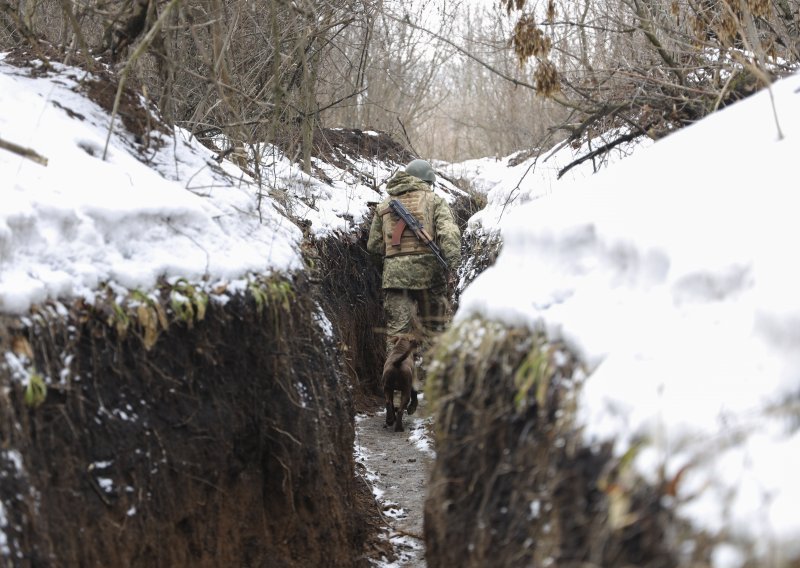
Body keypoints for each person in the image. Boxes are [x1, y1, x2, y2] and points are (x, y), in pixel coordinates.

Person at [367, 158, 462, 376]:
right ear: (428, 181)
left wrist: (387, 268)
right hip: (430, 277)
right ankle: (432, 384)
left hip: (395, 278)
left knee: (397, 336)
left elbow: (373, 247)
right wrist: (453, 265)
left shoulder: (384, 205)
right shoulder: (435, 200)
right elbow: (449, 233)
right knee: (435, 329)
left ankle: (394, 387)